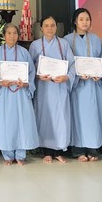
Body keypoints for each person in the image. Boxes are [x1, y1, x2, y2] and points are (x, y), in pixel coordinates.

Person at [63, 8, 102, 162]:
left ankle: (93, 148)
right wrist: (76, 75)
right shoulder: (66, 40)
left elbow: (101, 60)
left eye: (87, 19)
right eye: (81, 19)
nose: (85, 22)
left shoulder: (96, 39)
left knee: (92, 116)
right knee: (77, 117)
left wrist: (99, 73)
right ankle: (78, 149)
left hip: (93, 85)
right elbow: (66, 63)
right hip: (77, 86)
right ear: (75, 21)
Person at [29, 16, 75, 163]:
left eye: (52, 25)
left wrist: (67, 77)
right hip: (43, 88)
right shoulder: (35, 45)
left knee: (60, 118)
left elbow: (72, 64)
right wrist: (37, 75)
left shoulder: (64, 44)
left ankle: (58, 150)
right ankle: (46, 151)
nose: (49, 28)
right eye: (46, 25)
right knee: (44, 117)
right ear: (41, 28)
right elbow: (29, 68)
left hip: (59, 87)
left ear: (56, 27)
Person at [0, 23, 39, 165]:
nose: (12, 36)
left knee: (21, 123)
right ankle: (7, 155)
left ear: (18, 35)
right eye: (9, 33)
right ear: (4, 35)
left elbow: (31, 72)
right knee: (5, 123)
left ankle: (20, 155)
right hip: (4, 93)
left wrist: (26, 83)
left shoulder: (24, 52)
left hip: (20, 93)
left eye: (15, 33)